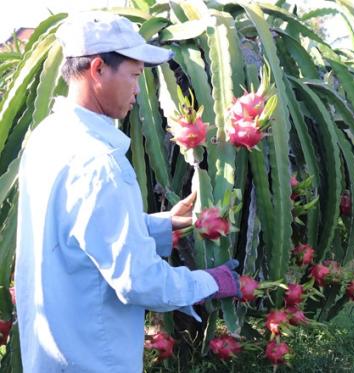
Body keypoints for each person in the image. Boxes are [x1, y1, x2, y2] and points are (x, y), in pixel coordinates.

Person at [15, 11, 240, 372]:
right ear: (99, 68)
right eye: (134, 76)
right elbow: (140, 281)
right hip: (94, 360)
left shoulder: (47, 137)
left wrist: (162, 225)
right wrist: (207, 283)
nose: (138, 90)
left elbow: (78, 231)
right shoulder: (99, 162)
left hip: (52, 353)